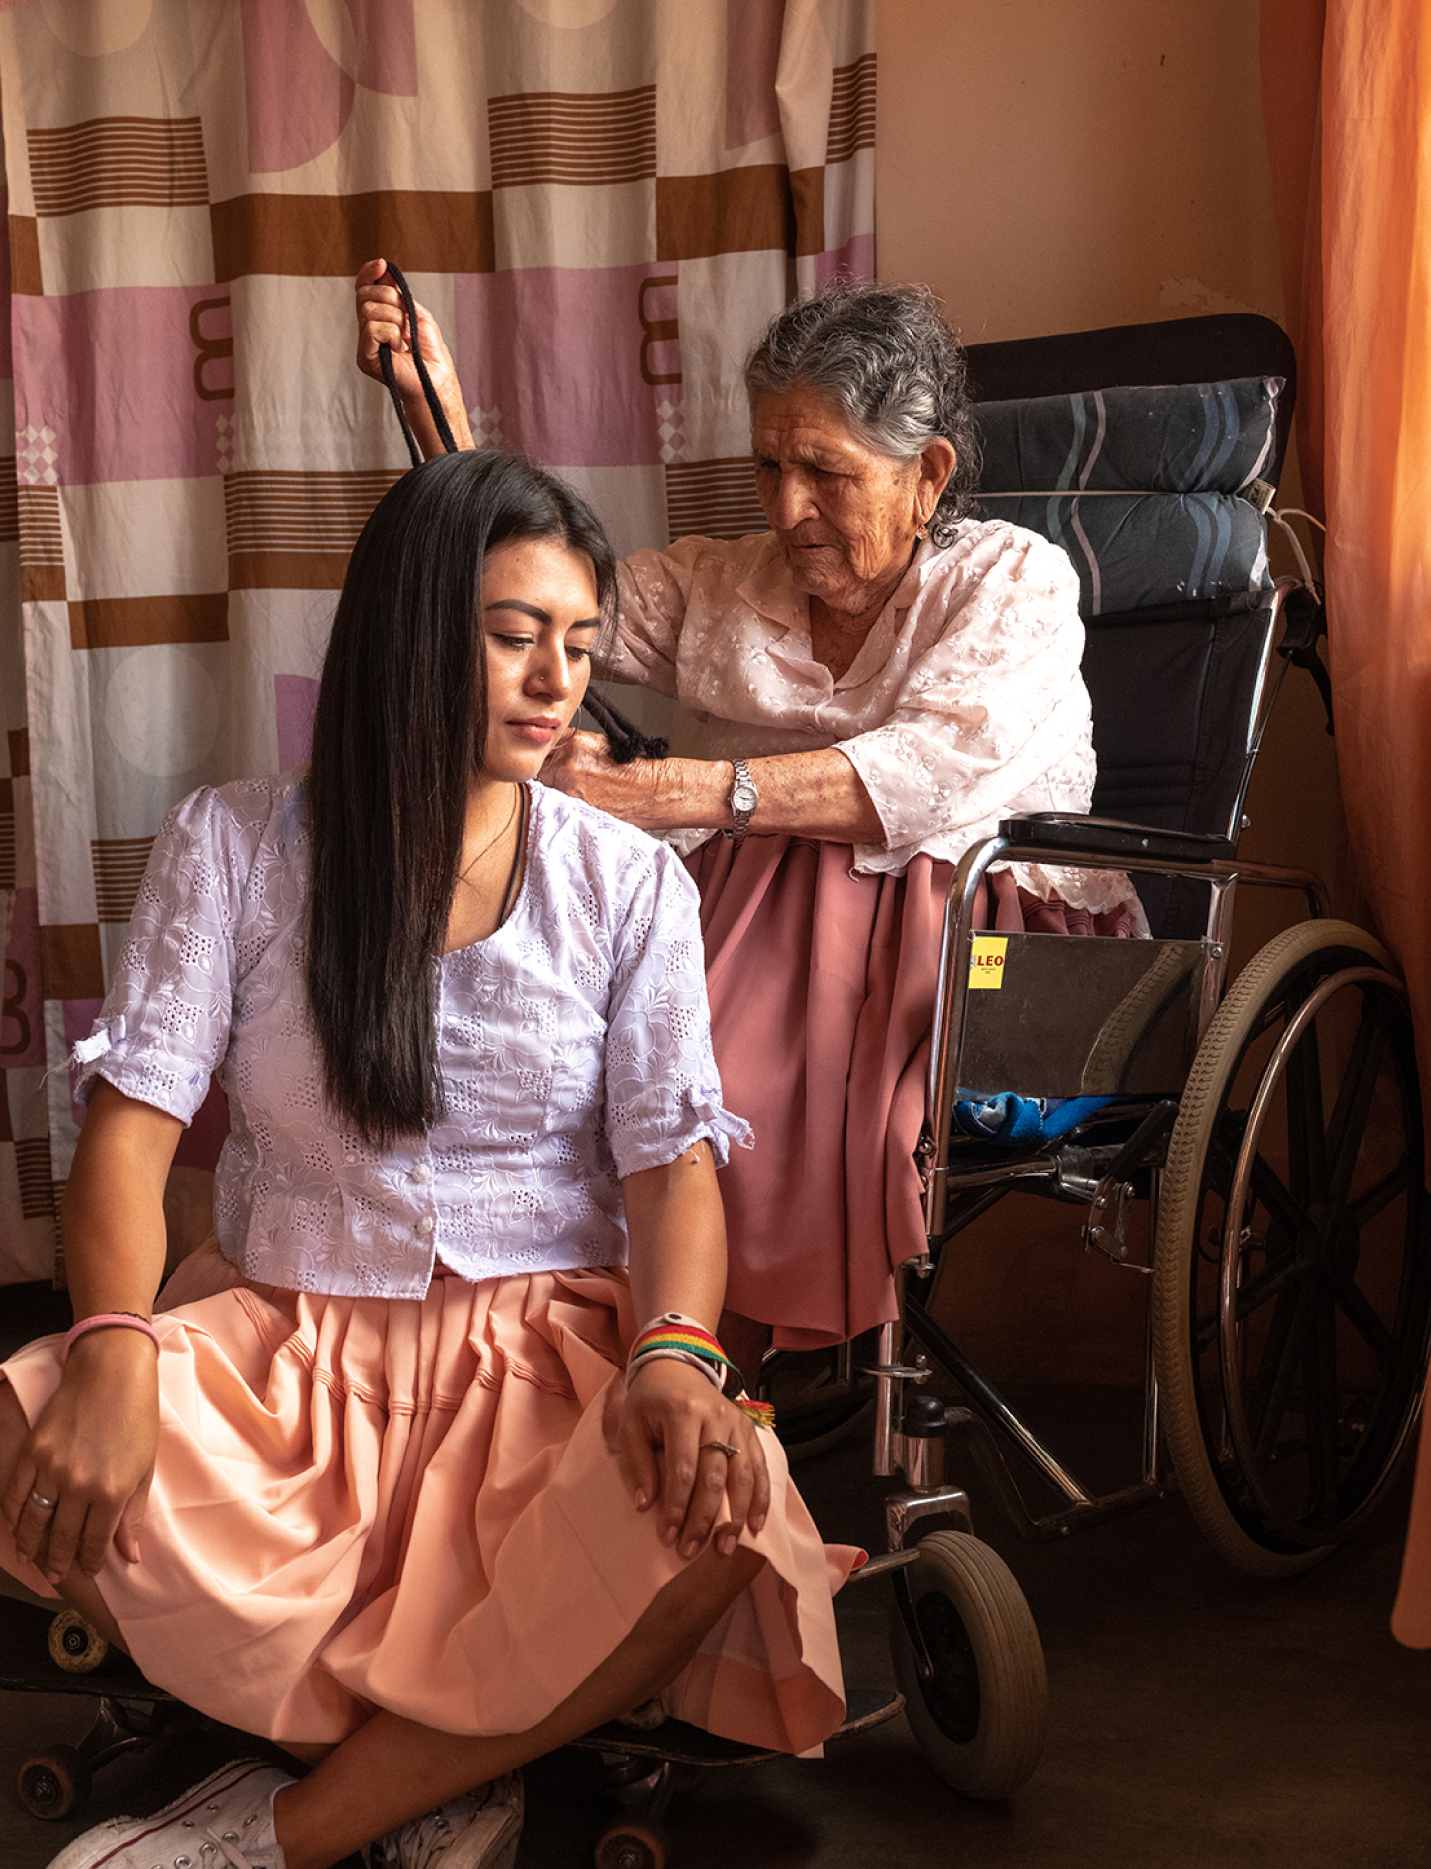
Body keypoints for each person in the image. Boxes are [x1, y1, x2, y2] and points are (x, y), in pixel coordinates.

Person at [0, 451, 853, 1869]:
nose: (555, 676)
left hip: (539, 1367)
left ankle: (272, 1842)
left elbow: (670, 1168)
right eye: (512, 632)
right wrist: (113, 1341)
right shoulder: (233, 844)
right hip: (286, 1359)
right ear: (410, 627)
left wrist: (678, 1353)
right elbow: (128, 1140)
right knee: (12, 1432)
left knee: (725, 1517)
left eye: (577, 639)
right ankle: (454, 1769)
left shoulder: (632, 887)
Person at [355, 266, 1145, 1357]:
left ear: (926, 474)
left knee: (726, 986)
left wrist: (674, 790)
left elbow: (924, 775)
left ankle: (686, 1348)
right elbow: (541, 593)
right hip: (740, 910)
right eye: (769, 465)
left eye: (824, 471)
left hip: (975, 936)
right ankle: (564, 1338)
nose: (786, 509)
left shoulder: (1013, 582)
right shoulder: (726, 581)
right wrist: (430, 411)